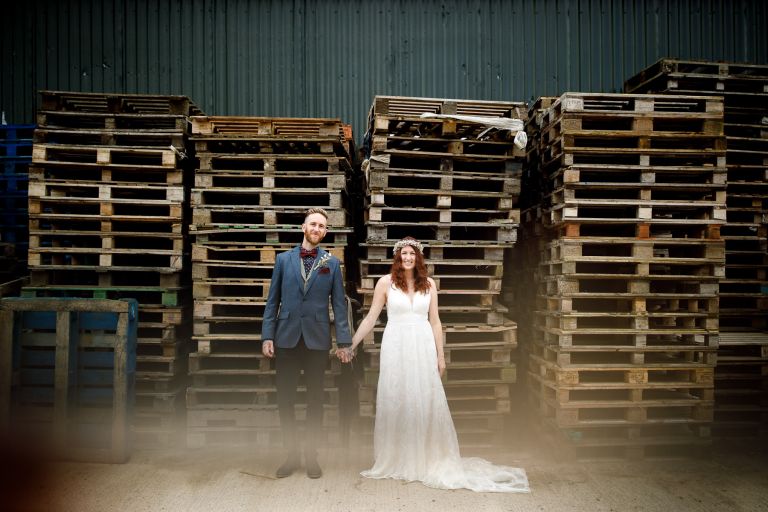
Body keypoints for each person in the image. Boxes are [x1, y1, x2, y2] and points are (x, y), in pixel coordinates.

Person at [337, 237, 529, 493]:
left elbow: (435, 321)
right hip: (396, 345)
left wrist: (440, 355)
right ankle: (400, 458)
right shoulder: (385, 283)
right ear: (398, 257)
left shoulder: (429, 285)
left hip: (422, 344)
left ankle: (424, 458)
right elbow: (371, 317)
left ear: (418, 258)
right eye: (403, 253)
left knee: (422, 398)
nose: (407, 257)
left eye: (412, 254)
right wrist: (351, 344)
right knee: (398, 397)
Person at [262, 208, 352, 479]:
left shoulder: (331, 264)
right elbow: (272, 301)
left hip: (317, 341)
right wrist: (268, 335)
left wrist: (344, 342)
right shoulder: (283, 260)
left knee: (315, 401)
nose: (317, 229)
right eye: (313, 224)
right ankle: (291, 455)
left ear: (325, 232)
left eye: (322, 226)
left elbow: (338, 303)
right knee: (286, 400)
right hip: (286, 339)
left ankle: (311, 456)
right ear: (303, 227)